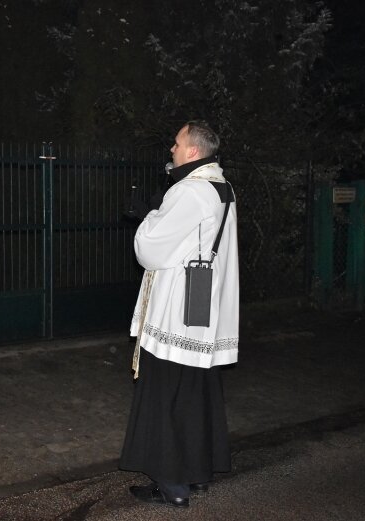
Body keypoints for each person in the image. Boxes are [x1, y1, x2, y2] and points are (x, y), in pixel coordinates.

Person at [119, 120, 239, 508]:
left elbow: (151, 250)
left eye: (176, 143)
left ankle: (172, 484)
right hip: (203, 307)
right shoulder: (221, 187)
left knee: (166, 393)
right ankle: (194, 472)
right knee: (193, 393)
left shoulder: (189, 190)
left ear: (192, 151)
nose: (171, 149)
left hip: (177, 312)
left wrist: (149, 215)